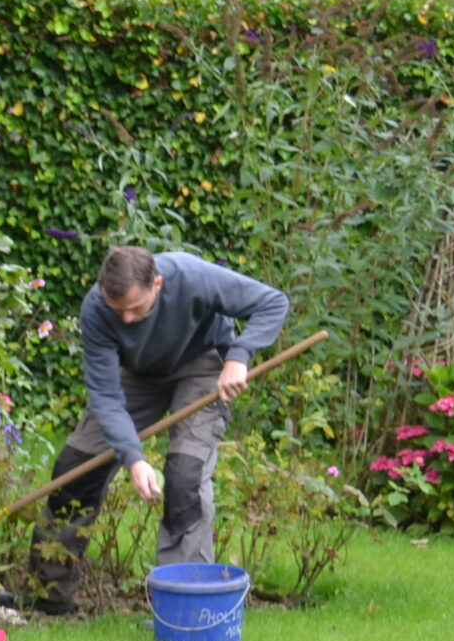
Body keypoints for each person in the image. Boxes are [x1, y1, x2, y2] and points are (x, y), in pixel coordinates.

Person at [24, 244, 290, 613]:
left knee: (185, 476)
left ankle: (186, 609)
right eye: (119, 310)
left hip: (202, 367)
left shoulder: (192, 277)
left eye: (136, 308)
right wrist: (133, 458)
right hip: (138, 375)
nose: (128, 319)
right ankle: (47, 596)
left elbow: (272, 302)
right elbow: (105, 394)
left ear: (159, 284)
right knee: (75, 469)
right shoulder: (98, 309)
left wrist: (239, 355)